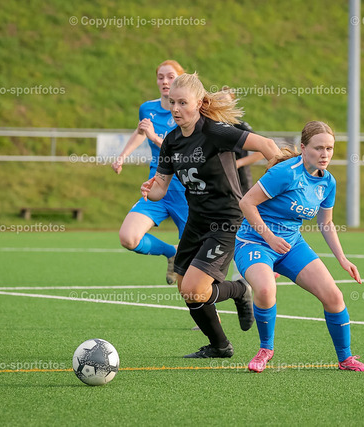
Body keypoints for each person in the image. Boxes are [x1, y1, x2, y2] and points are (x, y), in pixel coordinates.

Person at [140, 72, 281, 358]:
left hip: (226, 220)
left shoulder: (216, 132)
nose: (176, 108)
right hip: (196, 220)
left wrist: (279, 186)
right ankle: (220, 346)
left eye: (183, 102)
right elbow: (160, 189)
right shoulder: (171, 141)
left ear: (199, 103)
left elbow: (267, 146)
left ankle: (239, 290)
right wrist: (149, 190)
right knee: (185, 288)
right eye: (172, 102)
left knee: (195, 289)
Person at [234, 121, 364, 372]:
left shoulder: (327, 182)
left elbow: (326, 223)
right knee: (265, 289)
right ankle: (266, 349)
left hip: (291, 244)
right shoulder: (286, 172)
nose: (325, 154)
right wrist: (269, 238)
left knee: (334, 297)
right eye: (318, 148)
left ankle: (346, 359)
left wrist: (342, 259)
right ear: (303, 147)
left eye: (329, 149)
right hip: (254, 241)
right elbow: (246, 203)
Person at [111, 60, 188, 285]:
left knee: (191, 267)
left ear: (181, 79)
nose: (165, 81)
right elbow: (141, 131)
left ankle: (211, 310)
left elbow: (184, 152)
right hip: (157, 188)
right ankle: (171, 252)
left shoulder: (189, 113)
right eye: (160, 77)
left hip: (187, 192)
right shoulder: (147, 108)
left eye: (171, 76)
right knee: (128, 237)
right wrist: (122, 156)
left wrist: (154, 137)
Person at [220, 86, 264, 195]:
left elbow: (261, 152)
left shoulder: (239, 125)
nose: (222, 104)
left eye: (226, 101)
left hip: (241, 182)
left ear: (232, 104)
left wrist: (238, 163)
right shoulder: (210, 126)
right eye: (219, 101)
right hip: (220, 182)